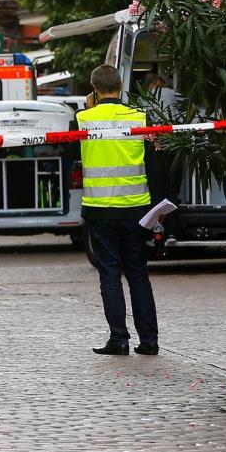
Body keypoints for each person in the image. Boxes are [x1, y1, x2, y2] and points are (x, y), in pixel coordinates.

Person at [76, 64, 159, 357]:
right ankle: (149, 341)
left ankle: (119, 339)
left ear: (94, 90)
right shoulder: (139, 117)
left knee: (109, 274)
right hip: (136, 207)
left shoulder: (83, 118)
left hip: (100, 208)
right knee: (138, 273)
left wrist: (90, 107)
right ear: (121, 87)